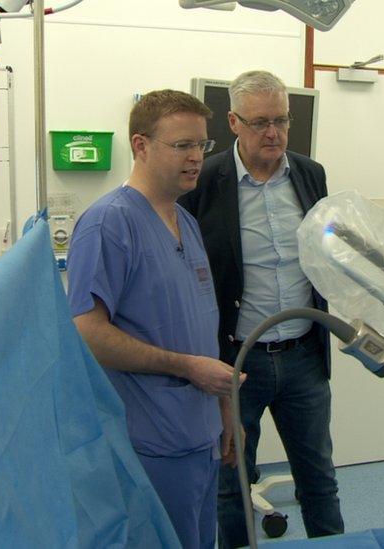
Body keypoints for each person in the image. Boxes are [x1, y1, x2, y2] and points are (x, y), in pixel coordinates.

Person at [67, 89, 244, 549]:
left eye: (201, 146)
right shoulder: (109, 223)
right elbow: (87, 334)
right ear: (141, 145)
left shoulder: (185, 221)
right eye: (181, 145)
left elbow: (199, 326)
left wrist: (225, 408)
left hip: (200, 434)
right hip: (150, 441)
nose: (195, 158)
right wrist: (186, 368)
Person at [178, 70, 343, 548]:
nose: (273, 133)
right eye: (259, 123)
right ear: (233, 122)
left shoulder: (311, 174)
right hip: (236, 361)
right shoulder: (205, 181)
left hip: (303, 358)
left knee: (319, 480)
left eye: (282, 120)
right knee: (232, 486)